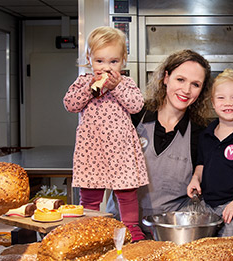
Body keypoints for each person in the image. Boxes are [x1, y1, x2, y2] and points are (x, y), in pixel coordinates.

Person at [63, 26, 148, 241]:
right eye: (100, 61)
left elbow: (136, 105)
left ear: (123, 60)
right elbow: (70, 105)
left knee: (127, 193)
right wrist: (89, 89)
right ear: (89, 59)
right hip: (92, 149)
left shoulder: (126, 83)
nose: (106, 68)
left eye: (113, 62)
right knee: (90, 194)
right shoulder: (83, 81)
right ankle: (88, 226)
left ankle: (131, 227)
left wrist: (117, 86)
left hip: (121, 150)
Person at [106, 49, 212, 221]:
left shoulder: (200, 132)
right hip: (121, 224)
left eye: (195, 84)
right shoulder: (135, 114)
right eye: (180, 79)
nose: (186, 90)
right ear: (166, 77)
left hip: (171, 232)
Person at [187, 69, 233, 237]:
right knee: (191, 238)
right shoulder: (206, 134)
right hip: (208, 204)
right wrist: (195, 179)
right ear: (213, 103)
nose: (228, 103)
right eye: (221, 98)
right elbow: (201, 164)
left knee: (231, 242)